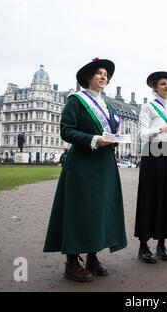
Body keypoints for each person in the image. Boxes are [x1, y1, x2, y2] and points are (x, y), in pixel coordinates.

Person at [43, 58, 127, 282]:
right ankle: (71, 262)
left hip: (104, 164)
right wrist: (93, 139)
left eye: (106, 75)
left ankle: (92, 255)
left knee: (100, 210)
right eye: (99, 73)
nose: (104, 77)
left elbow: (109, 132)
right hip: (82, 164)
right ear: (88, 78)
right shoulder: (76, 101)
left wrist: (113, 139)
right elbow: (66, 131)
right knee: (78, 210)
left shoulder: (108, 106)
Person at [135, 71, 167, 263]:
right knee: (150, 197)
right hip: (153, 154)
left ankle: (161, 243)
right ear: (155, 88)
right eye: (163, 84)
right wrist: (161, 129)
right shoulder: (147, 107)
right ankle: (143, 245)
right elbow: (142, 134)